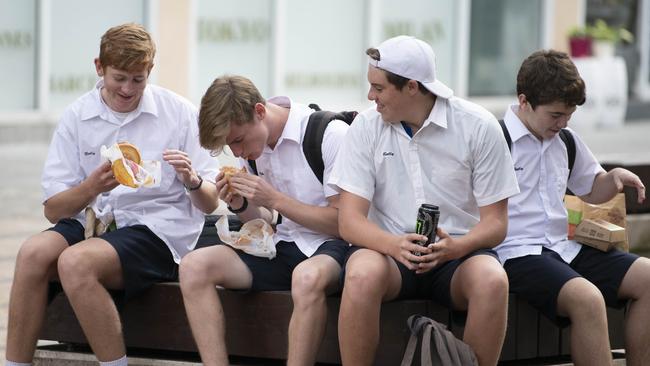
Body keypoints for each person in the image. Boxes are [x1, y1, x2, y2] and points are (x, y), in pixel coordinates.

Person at [4, 23, 219, 366]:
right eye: (119, 77)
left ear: (150, 71)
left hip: (157, 229)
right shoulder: (78, 115)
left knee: (75, 263)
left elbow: (210, 202)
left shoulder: (178, 112)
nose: (128, 89)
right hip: (95, 220)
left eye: (138, 79)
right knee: (32, 253)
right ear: (99, 67)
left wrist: (192, 179)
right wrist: (92, 187)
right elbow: (53, 210)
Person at [329, 35, 520, 366]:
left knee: (493, 280)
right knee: (360, 274)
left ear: (412, 87)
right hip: (387, 253)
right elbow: (349, 221)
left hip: (458, 253)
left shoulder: (478, 126)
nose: (370, 96)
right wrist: (394, 245)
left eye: (379, 88)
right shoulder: (365, 126)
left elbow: (496, 223)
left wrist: (457, 248)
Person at [179, 75, 350, 366]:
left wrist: (275, 200)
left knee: (306, 277)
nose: (236, 153)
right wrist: (240, 203)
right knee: (194, 266)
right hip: (282, 244)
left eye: (237, 141)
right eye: (228, 146)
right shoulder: (254, 149)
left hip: (332, 247)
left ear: (260, 111)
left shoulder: (330, 133)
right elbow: (266, 222)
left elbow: (346, 222)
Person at [495, 49, 649, 366]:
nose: (564, 122)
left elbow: (592, 188)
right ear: (524, 101)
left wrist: (614, 177)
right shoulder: (495, 140)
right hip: (515, 252)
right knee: (588, 299)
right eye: (555, 115)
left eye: (569, 115)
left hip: (564, 246)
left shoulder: (565, 140)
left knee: (648, 277)